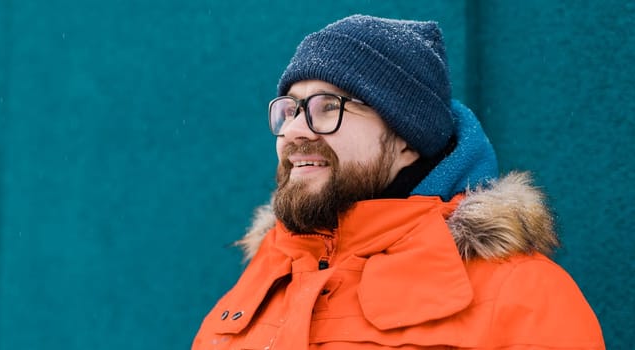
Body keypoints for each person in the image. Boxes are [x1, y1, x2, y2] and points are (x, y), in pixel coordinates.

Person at [192, 14, 605, 349]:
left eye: (327, 106)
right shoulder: (259, 285)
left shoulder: (523, 298)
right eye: (291, 109)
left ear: (407, 137)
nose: (296, 130)